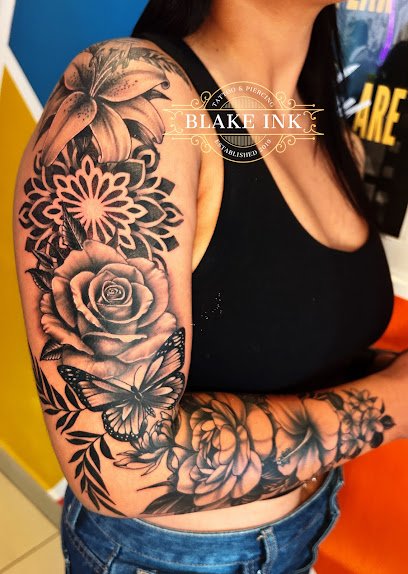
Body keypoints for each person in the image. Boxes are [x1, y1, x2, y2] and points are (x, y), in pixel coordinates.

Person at [13, 1, 408, 573]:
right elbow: (122, 468)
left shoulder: (326, 128)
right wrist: (395, 401)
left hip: (308, 525)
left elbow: (281, 340)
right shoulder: (129, 102)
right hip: (175, 559)